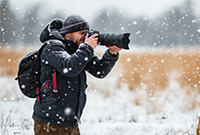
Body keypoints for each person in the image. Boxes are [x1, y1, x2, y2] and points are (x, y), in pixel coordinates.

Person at [33, 15, 121, 135]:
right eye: (82, 33)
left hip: (71, 120)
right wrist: (87, 47)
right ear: (68, 33)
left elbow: (99, 71)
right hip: (50, 120)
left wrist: (111, 54)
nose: (85, 36)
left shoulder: (79, 50)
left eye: (86, 33)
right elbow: (69, 68)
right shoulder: (52, 47)